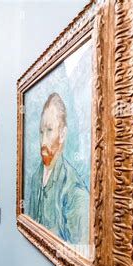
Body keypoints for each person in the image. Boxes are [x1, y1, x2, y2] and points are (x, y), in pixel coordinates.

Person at [26, 92, 89, 245]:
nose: (43, 139)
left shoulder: (75, 192)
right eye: (41, 132)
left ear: (62, 134)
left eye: (49, 130)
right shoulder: (35, 178)